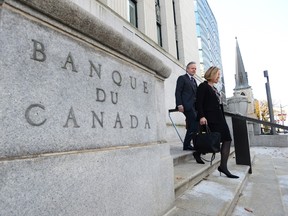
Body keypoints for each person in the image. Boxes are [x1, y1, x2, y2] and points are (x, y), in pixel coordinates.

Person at [196, 66, 239, 178]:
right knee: (216, 140)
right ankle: (199, 153)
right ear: (211, 74)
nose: (218, 77)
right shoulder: (203, 86)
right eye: (217, 75)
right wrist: (201, 116)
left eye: (219, 75)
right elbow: (198, 103)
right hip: (210, 119)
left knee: (226, 139)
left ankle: (223, 166)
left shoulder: (214, 89)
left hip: (219, 118)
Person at [175, 62, 204, 164]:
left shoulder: (194, 81)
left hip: (194, 106)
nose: (194, 70)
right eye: (192, 68)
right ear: (187, 69)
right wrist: (179, 104)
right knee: (194, 124)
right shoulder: (182, 78)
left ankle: (188, 144)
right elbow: (178, 91)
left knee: (195, 125)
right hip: (186, 106)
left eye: (195, 69)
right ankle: (187, 145)